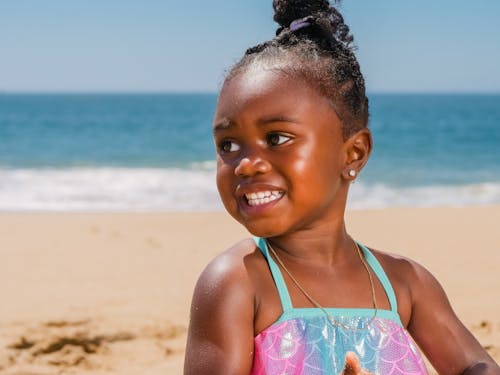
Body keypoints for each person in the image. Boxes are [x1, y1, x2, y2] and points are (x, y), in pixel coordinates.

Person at [184, 0, 500, 374]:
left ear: (353, 153)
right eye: (229, 145)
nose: (247, 163)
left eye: (277, 137)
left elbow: (477, 366)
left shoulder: (405, 282)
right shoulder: (238, 282)